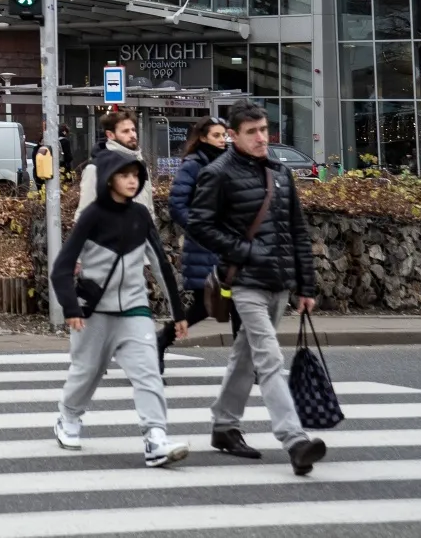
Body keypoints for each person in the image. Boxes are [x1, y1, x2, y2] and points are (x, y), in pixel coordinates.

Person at [186, 100, 327, 474]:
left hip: (279, 283)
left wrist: (306, 285)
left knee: (246, 356)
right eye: (252, 132)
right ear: (233, 136)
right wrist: (244, 250)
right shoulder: (218, 173)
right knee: (268, 357)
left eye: (264, 129)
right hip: (245, 282)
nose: (262, 137)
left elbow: (298, 231)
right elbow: (198, 224)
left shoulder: (281, 173)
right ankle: (294, 439)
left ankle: (224, 425)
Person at [50, 144, 191, 467]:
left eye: (135, 175)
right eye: (124, 175)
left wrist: (178, 313)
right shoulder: (92, 216)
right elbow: (62, 267)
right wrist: (70, 308)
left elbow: (160, 264)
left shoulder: (140, 215)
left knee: (147, 373)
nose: (131, 181)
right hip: (94, 311)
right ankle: (68, 417)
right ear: (109, 179)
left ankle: (155, 437)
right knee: (87, 372)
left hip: (134, 309)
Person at [168, 117, 230, 327]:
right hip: (202, 247)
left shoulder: (228, 162)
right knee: (204, 306)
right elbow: (177, 204)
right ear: (203, 137)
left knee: (236, 305)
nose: (222, 140)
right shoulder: (194, 164)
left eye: (224, 135)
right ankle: (163, 338)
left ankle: (245, 357)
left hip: (225, 246)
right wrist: (199, 228)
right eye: (216, 135)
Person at [78, 109, 153, 214]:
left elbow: (149, 206)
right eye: (125, 131)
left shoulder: (140, 164)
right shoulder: (96, 168)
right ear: (110, 135)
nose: (132, 135)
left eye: (133, 130)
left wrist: (151, 228)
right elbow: (84, 214)